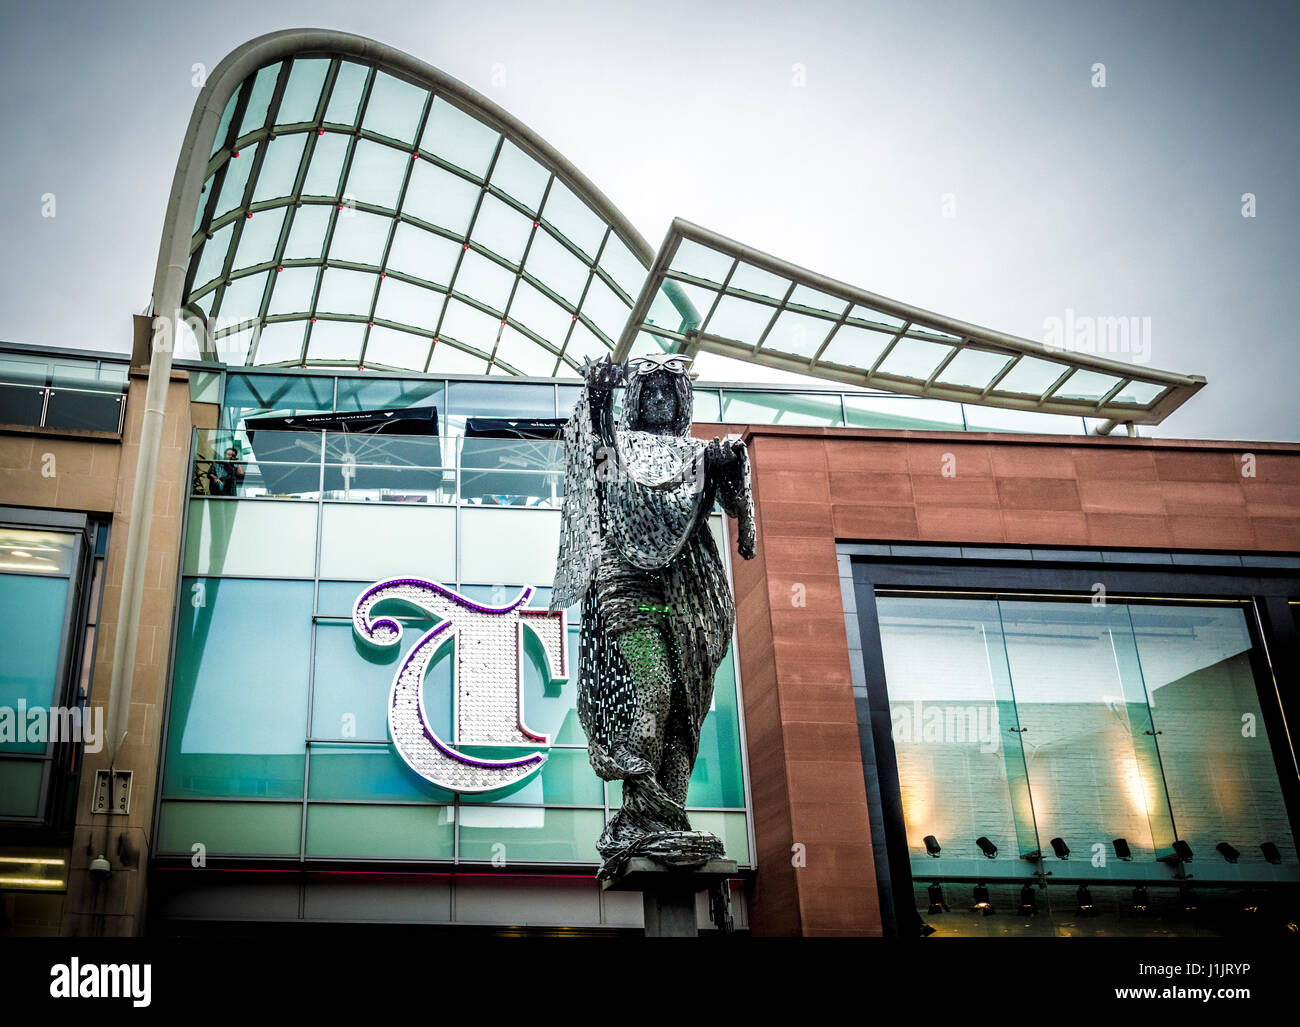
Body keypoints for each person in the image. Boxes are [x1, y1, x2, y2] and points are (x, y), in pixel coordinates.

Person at [551, 353, 756, 878]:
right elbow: (597, 463)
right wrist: (598, 397)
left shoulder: (699, 453)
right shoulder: (619, 447)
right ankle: (643, 806)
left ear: (683, 399)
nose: (661, 399)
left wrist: (731, 465)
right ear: (635, 397)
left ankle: (670, 816)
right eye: (652, 390)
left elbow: (736, 512)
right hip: (630, 583)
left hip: (688, 584)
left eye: (671, 390)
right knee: (656, 689)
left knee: (688, 705)